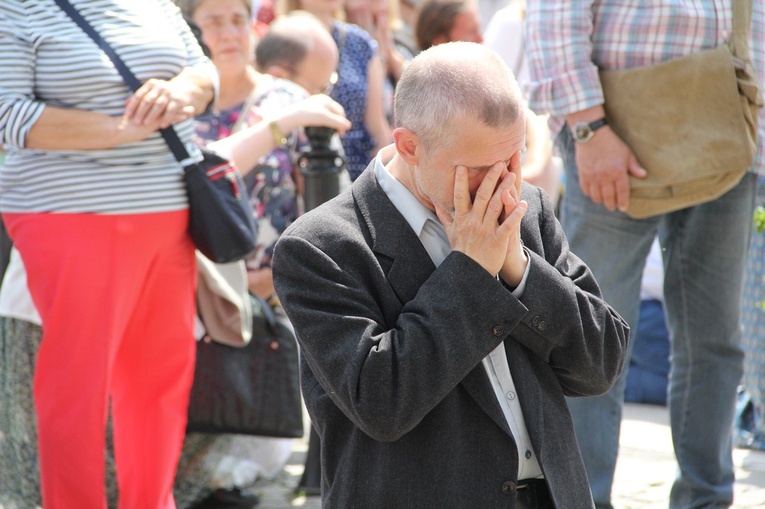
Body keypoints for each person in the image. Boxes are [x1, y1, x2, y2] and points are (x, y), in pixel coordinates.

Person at [271, 41, 629, 508]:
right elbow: (382, 402)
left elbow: (600, 365)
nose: (503, 184)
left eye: (514, 159)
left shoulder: (527, 209)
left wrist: (518, 269)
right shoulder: (320, 247)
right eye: (479, 169)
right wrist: (472, 272)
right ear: (410, 146)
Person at [0, 94, 349, 509]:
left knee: (144, 434)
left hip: (125, 304)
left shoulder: (155, 133)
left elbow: (208, 162)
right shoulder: (72, 145)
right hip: (49, 309)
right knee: (62, 444)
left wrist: (283, 120)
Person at [526, 1, 765, 508]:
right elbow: (554, 11)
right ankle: (579, 500)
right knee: (588, 338)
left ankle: (706, 499)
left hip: (726, 134)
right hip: (615, 130)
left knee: (716, 341)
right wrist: (588, 128)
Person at [0, 0, 218, 507]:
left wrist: (181, 90)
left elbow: (204, 71)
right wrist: (126, 127)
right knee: (78, 383)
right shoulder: (18, 7)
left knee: (160, 381)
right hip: (71, 215)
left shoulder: (156, 4)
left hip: (167, 210)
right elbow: (8, 115)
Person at [282, 0, 393, 181]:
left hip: (357, 169)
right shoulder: (280, 39)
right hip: (300, 166)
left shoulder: (359, 41)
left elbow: (377, 126)